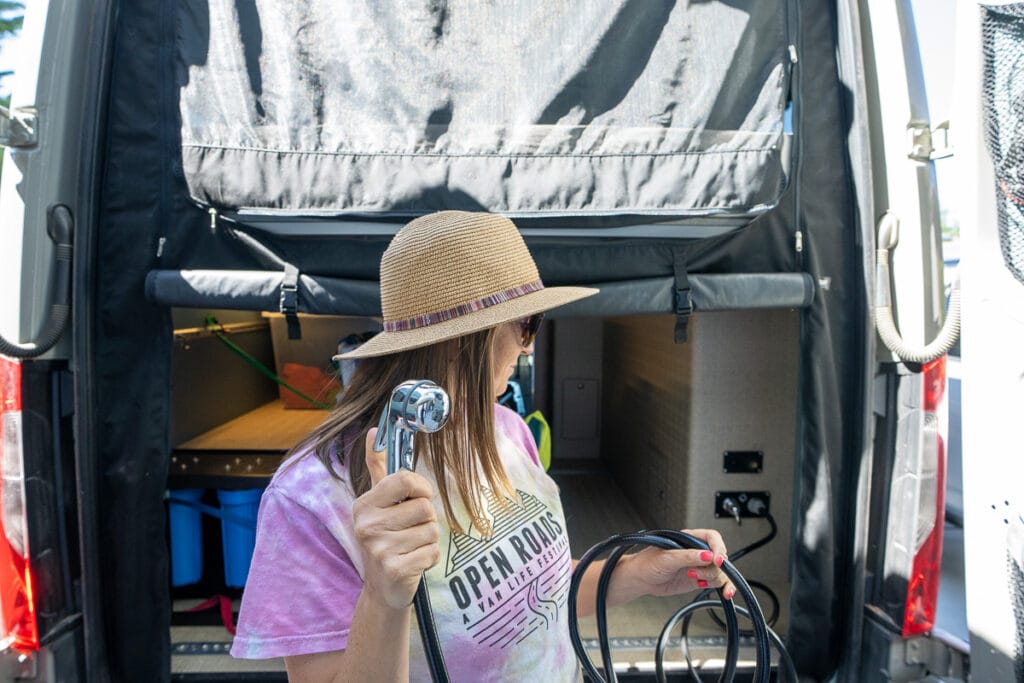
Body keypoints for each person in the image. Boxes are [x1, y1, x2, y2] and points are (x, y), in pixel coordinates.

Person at [230, 211, 735, 682]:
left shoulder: (506, 430)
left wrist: (640, 573)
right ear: (462, 338)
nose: (530, 344)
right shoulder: (311, 498)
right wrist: (385, 598)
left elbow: (531, 596)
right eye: (526, 324)